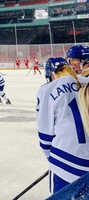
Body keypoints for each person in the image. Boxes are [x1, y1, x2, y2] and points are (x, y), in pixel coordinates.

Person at [36, 57, 89, 195]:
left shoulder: (47, 90)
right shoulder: (86, 83)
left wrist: (53, 161)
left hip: (65, 166)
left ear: (52, 75)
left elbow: (45, 138)